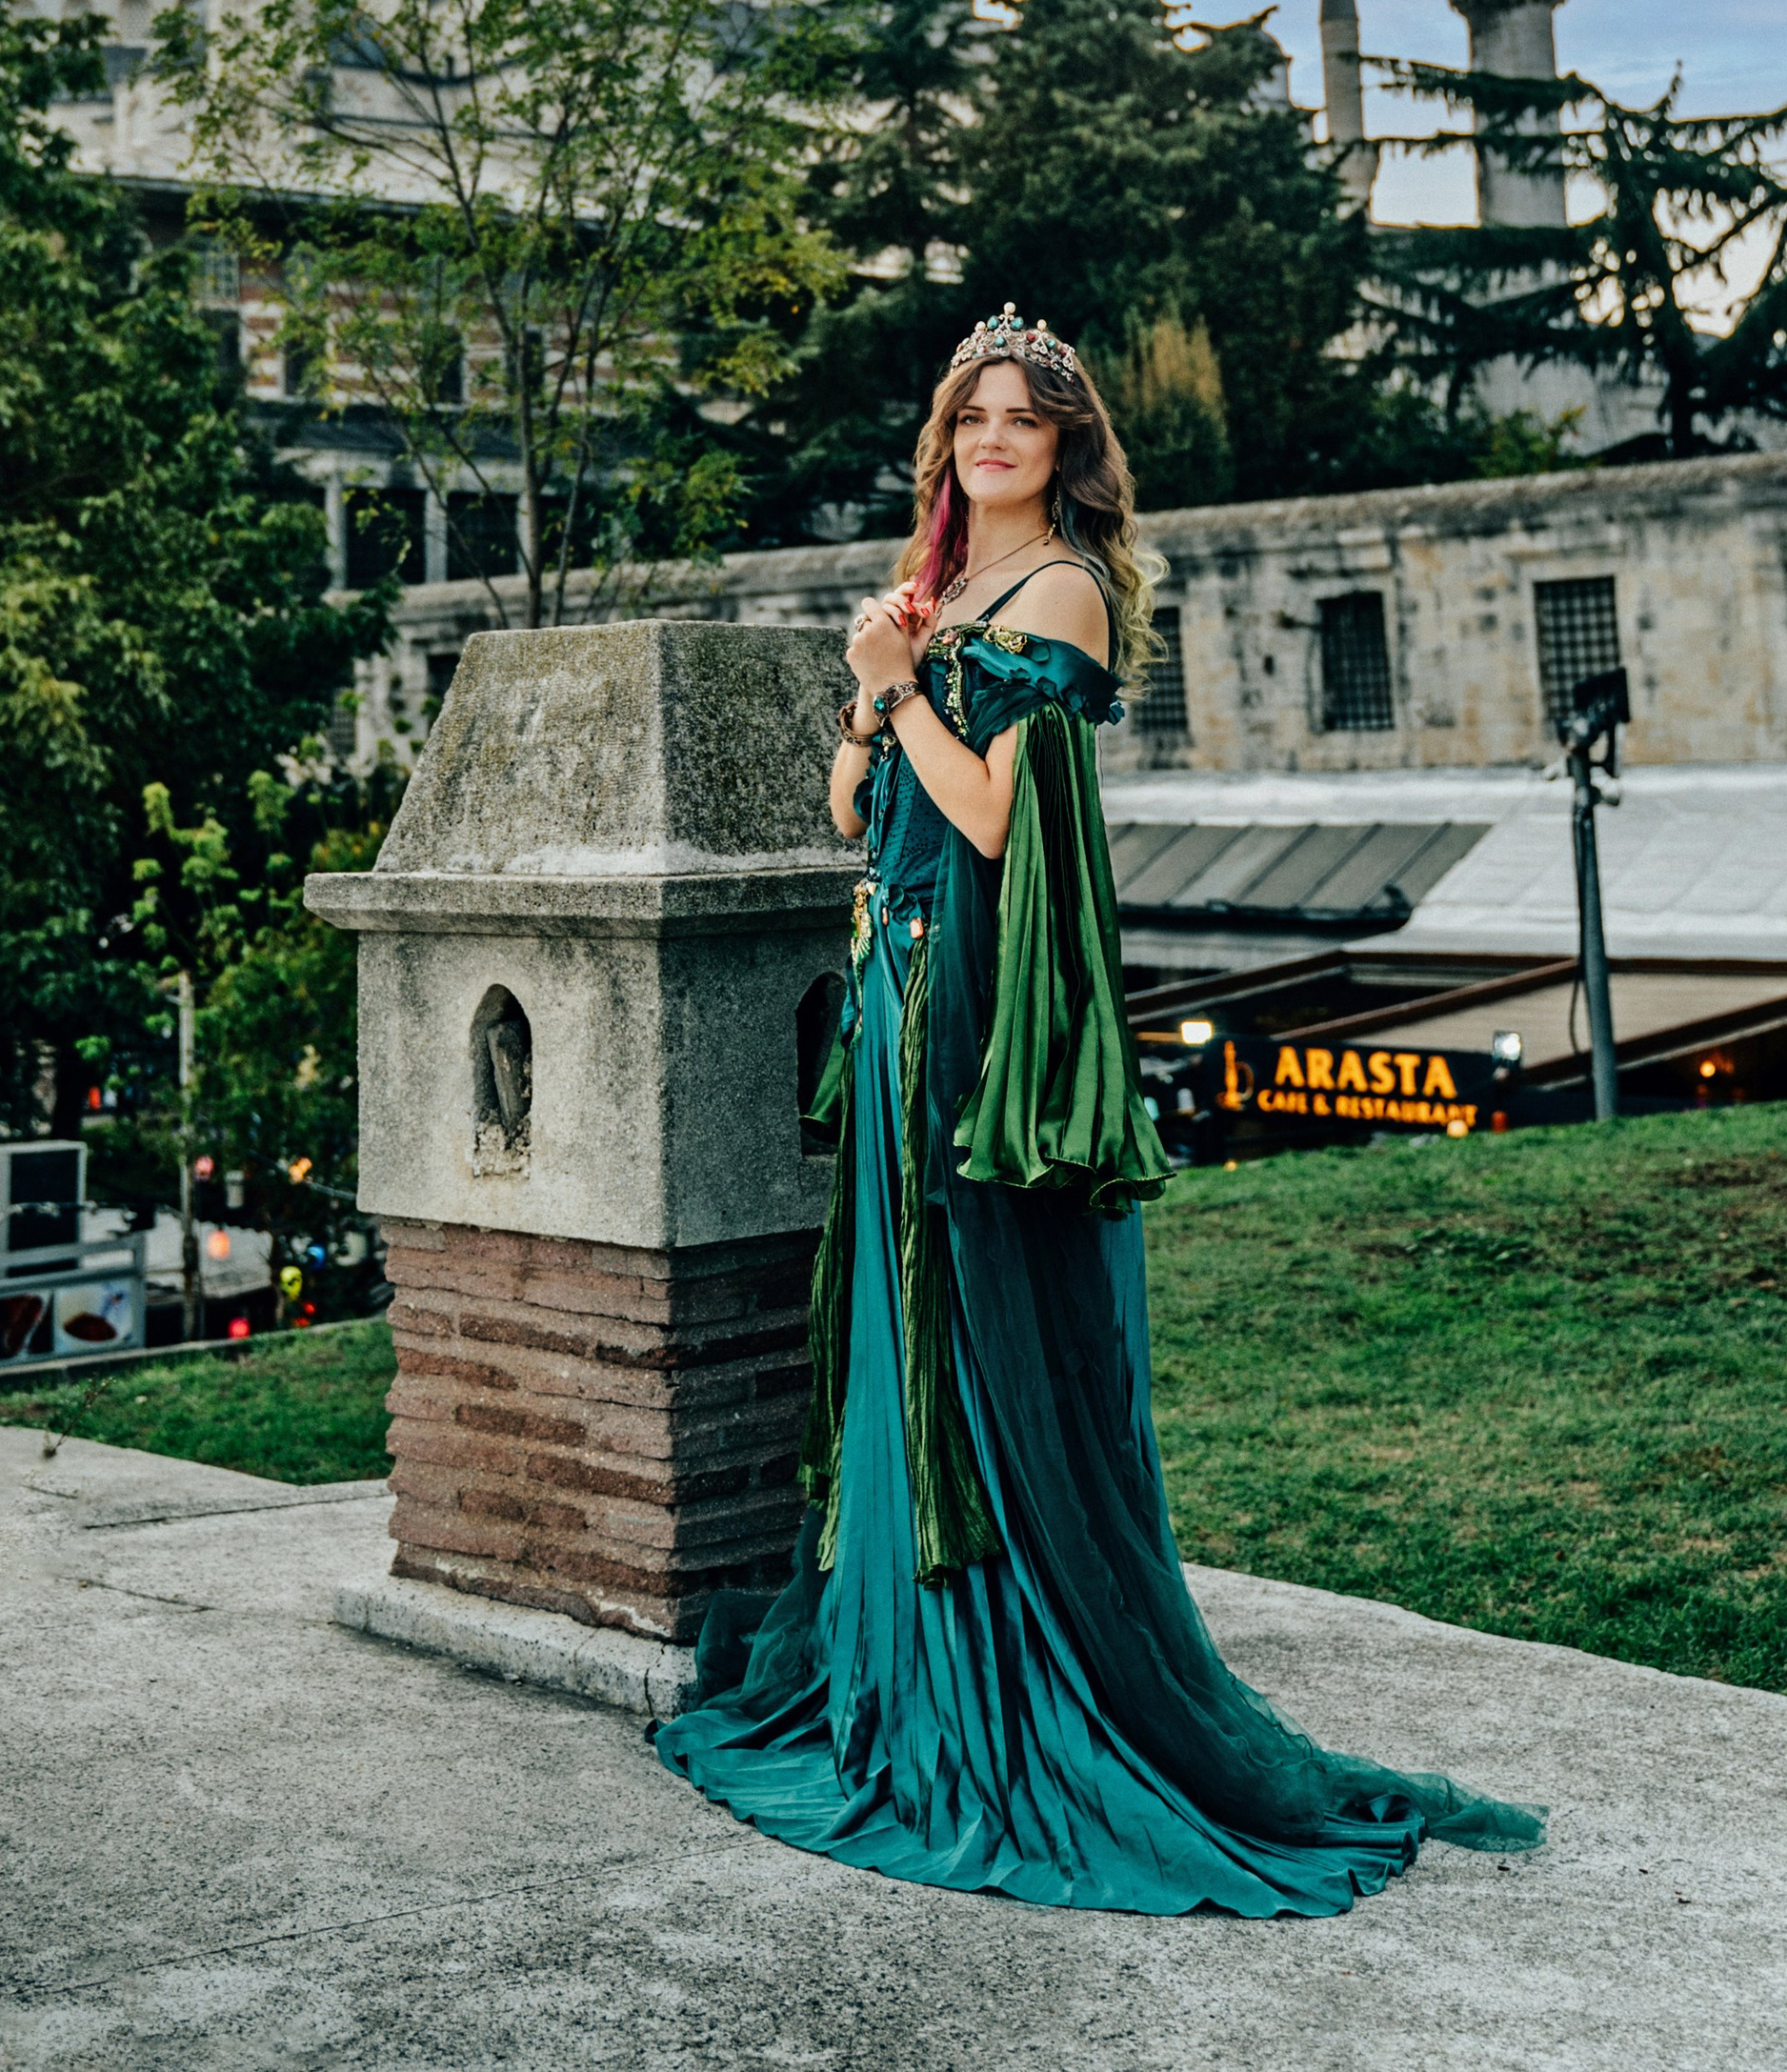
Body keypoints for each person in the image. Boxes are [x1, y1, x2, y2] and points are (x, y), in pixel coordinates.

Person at [654, 307, 1542, 1912]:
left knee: (973, 1313)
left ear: (1064, 444)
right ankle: (900, 1655)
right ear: (946, 440)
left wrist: (897, 686)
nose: (994, 438)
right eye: (973, 416)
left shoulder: (1062, 586)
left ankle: (1007, 1668)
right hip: (890, 980)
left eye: (1024, 417)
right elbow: (855, 808)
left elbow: (996, 823)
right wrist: (872, 696)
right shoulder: (939, 589)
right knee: (902, 1323)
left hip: (972, 996)